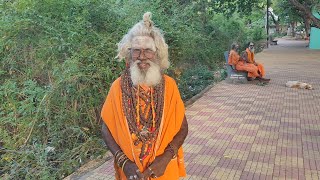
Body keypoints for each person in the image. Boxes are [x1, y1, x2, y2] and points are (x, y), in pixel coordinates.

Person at [100, 12, 188, 180]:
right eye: (136, 51)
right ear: (128, 53)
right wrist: (124, 162)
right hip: (130, 172)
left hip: (163, 170)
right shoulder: (117, 87)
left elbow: (183, 127)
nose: (141, 57)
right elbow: (106, 128)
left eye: (148, 50)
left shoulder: (169, 86)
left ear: (157, 53)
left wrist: (166, 158)